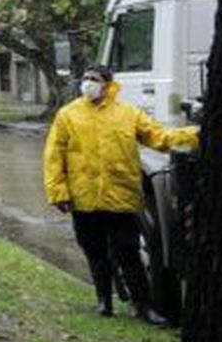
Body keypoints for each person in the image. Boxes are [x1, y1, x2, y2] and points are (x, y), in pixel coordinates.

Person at [43, 64, 199, 324]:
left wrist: (195, 135)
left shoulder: (127, 113)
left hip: (121, 198)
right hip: (84, 199)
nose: (88, 83)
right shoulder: (68, 115)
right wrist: (58, 192)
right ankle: (104, 300)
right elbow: (54, 156)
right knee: (95, 252)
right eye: (86, 78)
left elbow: (159, 137)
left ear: (108, 84)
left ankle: (143, 306)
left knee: (128, 252)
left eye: (95, 79)